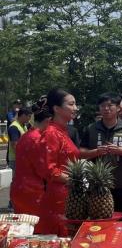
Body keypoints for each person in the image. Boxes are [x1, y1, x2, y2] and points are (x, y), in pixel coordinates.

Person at [81, 93, 122, 221]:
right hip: (97, 184)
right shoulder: (91, 128)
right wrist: (95, 152)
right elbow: (81, 152)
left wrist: (120, 150)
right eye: (103, 106)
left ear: (118, 108)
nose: (106, 109)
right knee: (98, 221)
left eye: (110, 105)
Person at [38, 88, 81, 236]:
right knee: (63, 238)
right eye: (71, 104)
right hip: (59, 197)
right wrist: (75, 180)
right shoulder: (51, 133)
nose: (75, 108)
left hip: (69, 193)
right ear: (56, 108)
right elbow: (49, 169)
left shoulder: (63, 131)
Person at [11, 98, 51, 230]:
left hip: (19, 189)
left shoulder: (26, 136)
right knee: (34, 232)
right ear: (47, 121)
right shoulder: (38, 139)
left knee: (21, 230)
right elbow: (44, 170)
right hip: (32, 192)